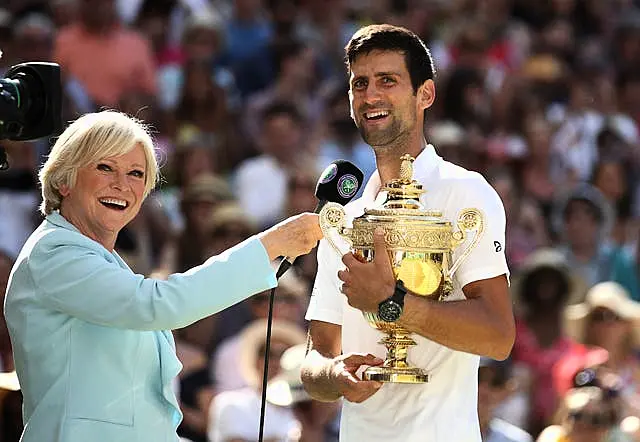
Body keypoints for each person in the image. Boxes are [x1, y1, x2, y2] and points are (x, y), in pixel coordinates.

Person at [3, 110, 323, 442]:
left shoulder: (99, 260)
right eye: (105, 168)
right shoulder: (55, 253)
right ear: (63, 180)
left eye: (136, 173)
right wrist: (267, 246)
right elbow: (157, 305)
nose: (122, 184)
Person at [300, 24, 515, 442]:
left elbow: (498, 335)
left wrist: (390, 303)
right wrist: (334, 374)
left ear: (426, 95)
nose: (371, 95)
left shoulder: (465, 191)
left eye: (388, 80)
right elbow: (317, 357)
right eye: (359, 84)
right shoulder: (346, 215)